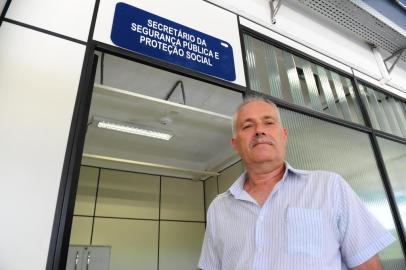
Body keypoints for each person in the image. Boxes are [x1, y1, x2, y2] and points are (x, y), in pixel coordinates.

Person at [198, 96, 395, 270]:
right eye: (248, 126)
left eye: (268, 122)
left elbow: (368, 266)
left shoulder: (329, 187)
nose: (259, 131)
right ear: (235, 145)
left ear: (284, 135)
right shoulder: (219, 208)